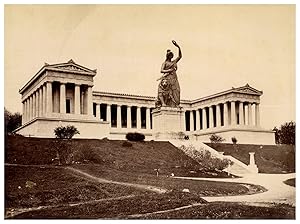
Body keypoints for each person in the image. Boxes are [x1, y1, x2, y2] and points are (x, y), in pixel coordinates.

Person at [156, 40, 182, 107]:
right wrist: (169, 70)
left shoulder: (174, 62)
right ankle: (165, 103)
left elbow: (180, 56)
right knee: (167, 92)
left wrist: (178, 46)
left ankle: (176, 104)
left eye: (171, 55)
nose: (171, 56)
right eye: (170, 55)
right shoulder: (164, 63)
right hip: (167, 78)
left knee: (177, 90)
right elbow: (161, 70)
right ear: (167, 56)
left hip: (174, 78)